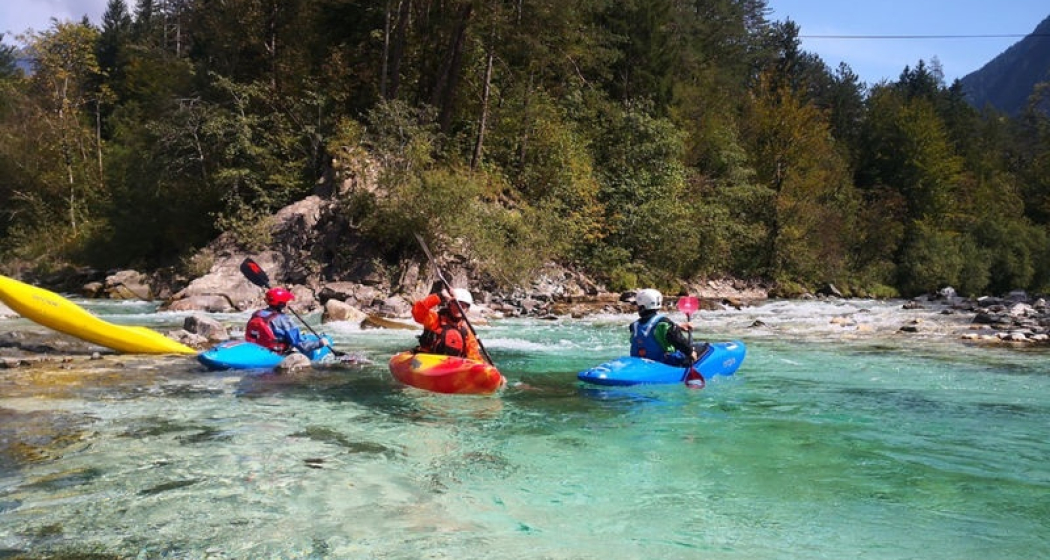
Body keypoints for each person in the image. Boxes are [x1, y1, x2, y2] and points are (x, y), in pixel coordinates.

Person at [629, 288, 708, 366]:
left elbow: (650, 329)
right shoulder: (665, 323)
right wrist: (690, 351)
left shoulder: (634, 326)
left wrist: (677, 326)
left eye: (638, 307)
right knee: (704, 348)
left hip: (640, 363)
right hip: (664, 364)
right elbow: (678, 340)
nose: (637, 309)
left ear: (643, 308)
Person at [412, 281, 483, 363]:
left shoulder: (466, 330)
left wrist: (486, 371)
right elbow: (417, 312)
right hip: (428, 361)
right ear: (449, 304)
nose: (459, 308)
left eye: (464, 305)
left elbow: (474, 355)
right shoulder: (435, 319)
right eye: (456, 304)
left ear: (467, 309)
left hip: (453, 366)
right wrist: (440, 296)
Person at [245, 287, 330, 354]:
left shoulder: (257, 313)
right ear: (282, 304)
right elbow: (301, 346)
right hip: (276, 352)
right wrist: (320, 343)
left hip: (257, 347)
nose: (287, 303)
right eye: (286, 302)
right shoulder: (284, 319)